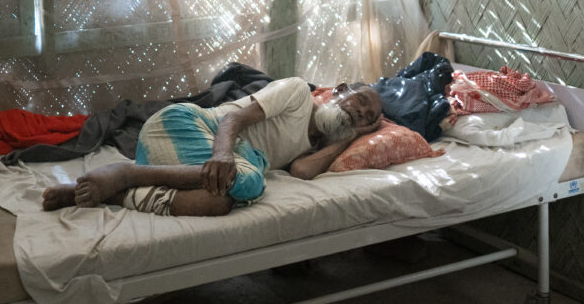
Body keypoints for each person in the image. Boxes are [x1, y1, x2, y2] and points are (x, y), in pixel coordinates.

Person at [41, 78, 383, 217]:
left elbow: (301, 171)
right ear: (339, 90)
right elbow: (231, 121)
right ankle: (124, 172)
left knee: (216, 201)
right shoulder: (296, 92)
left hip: (188, 164)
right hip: (183, 126)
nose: (360, 112)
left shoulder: (321, 144)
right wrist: (222, 155)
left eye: (367, 117)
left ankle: (115, 192)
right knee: (251, 182)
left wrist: (350, 136)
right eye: (360, 101)